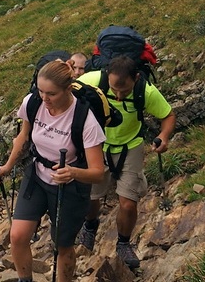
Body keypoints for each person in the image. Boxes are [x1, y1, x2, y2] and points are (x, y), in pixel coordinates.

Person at [0, 59, 106, 282]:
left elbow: (98, 172)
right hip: (37, 175)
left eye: (51, 94)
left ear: (68, 88)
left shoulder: (85, 120)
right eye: (40, 91)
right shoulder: (33, 102)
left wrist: (73, 172)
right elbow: (23, 137)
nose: (44, 98)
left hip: (70, 187)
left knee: (63, 245)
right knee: (17, 235)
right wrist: (6, 167)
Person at [76, 56, 175, 269]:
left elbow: (168, 115)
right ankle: (90, 225)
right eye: (114, 90)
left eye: (125, 90)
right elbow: (67, 94)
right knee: (92, 196)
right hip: (96, 145)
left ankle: (123, 243)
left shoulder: (146, 91)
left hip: (131, 145)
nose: (119, 96)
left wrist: (164, 137)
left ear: (136, 78)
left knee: (128, 202)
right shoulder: (93, 81)